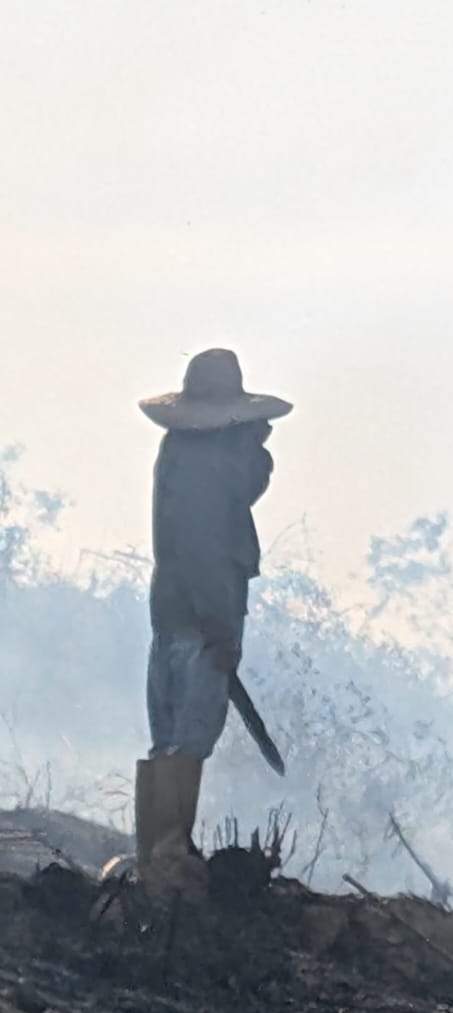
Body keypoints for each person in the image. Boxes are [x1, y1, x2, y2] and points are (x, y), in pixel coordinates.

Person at [135, 349, 292, 895]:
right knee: (188, 740)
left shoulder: (181, 453)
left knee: (169, 739)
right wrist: (220, 631)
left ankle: (157, 858)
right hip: (202, 620)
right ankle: (168, 856)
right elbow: (204, 551)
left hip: (173, 613)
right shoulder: (209, 465)